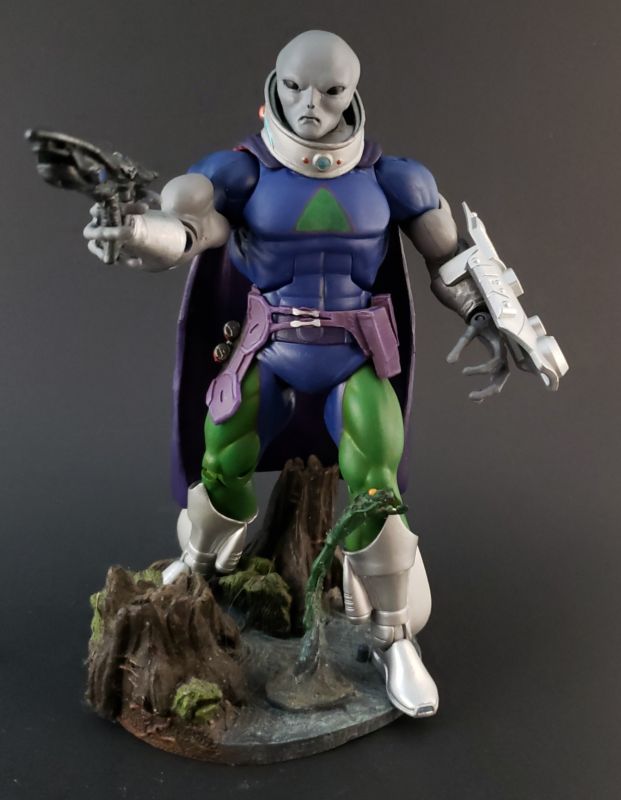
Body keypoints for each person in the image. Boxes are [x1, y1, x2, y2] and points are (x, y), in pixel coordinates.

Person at [84, 30, 562, 718]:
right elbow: (186, 233)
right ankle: (202, 562)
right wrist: (135, 233)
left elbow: (453, 261)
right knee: (222, 454)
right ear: (273, 88)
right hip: (269, 348)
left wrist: (504, 322)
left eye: (330, 91)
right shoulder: (240, 173)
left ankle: (394, 639)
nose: (311, 104)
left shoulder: (393, 180)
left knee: (376, 486)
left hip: (352, 357)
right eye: (296, 88)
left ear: (351, 94)